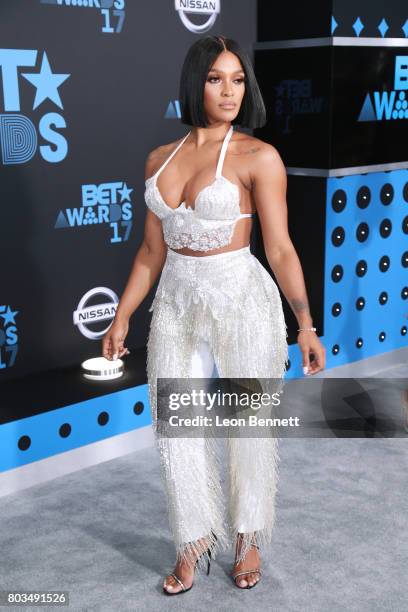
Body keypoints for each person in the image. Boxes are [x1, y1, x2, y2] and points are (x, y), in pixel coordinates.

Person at [102, 35, 326, 595]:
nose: (229, 91)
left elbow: (279, 250)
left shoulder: (258, 156)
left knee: (246, 427)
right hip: (176, 303)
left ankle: (248, 539)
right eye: (215, 79)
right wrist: (123, 314)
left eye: (238, 79)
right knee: (176, 429)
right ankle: (192, 542)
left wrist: (305, 326)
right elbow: (151, 252)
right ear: (194, 84)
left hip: (242, 303)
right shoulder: (160, 160)